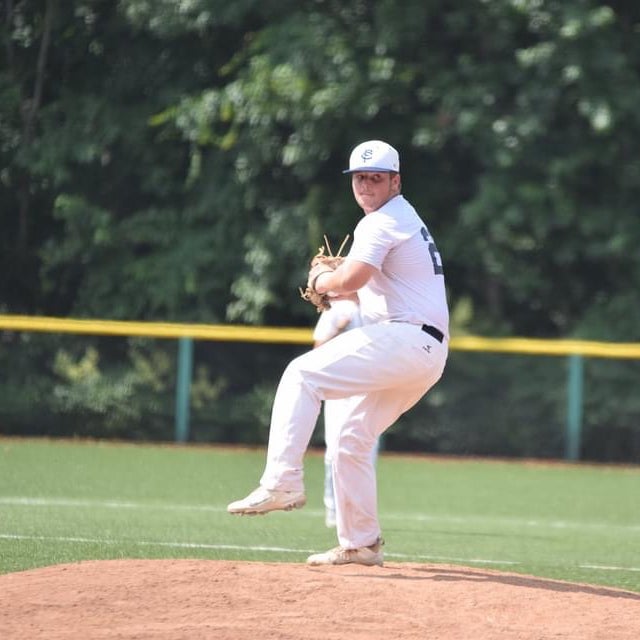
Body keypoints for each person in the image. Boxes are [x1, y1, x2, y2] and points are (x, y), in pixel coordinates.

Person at [227, 139, 449, 567]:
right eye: (359, 178)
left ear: (396, 182)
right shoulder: (400, 219)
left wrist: (320, 280)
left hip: (407, 339)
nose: (366, 185)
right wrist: (339, 279)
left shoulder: (382, 221)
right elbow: (362, 281)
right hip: (424, 351)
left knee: (301, 375)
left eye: (376, 178)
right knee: (351, 439)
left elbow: (350, 280)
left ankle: (282, 481)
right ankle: (361, 544)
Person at [312, 296, 379, 529]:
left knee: (365, 453)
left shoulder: (379, 310)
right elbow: (318, 349)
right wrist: (339, 330)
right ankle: (333, 509)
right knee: (334, 451)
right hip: (340, 390)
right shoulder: (336, 310)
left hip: (368, 389)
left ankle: (360, 515)